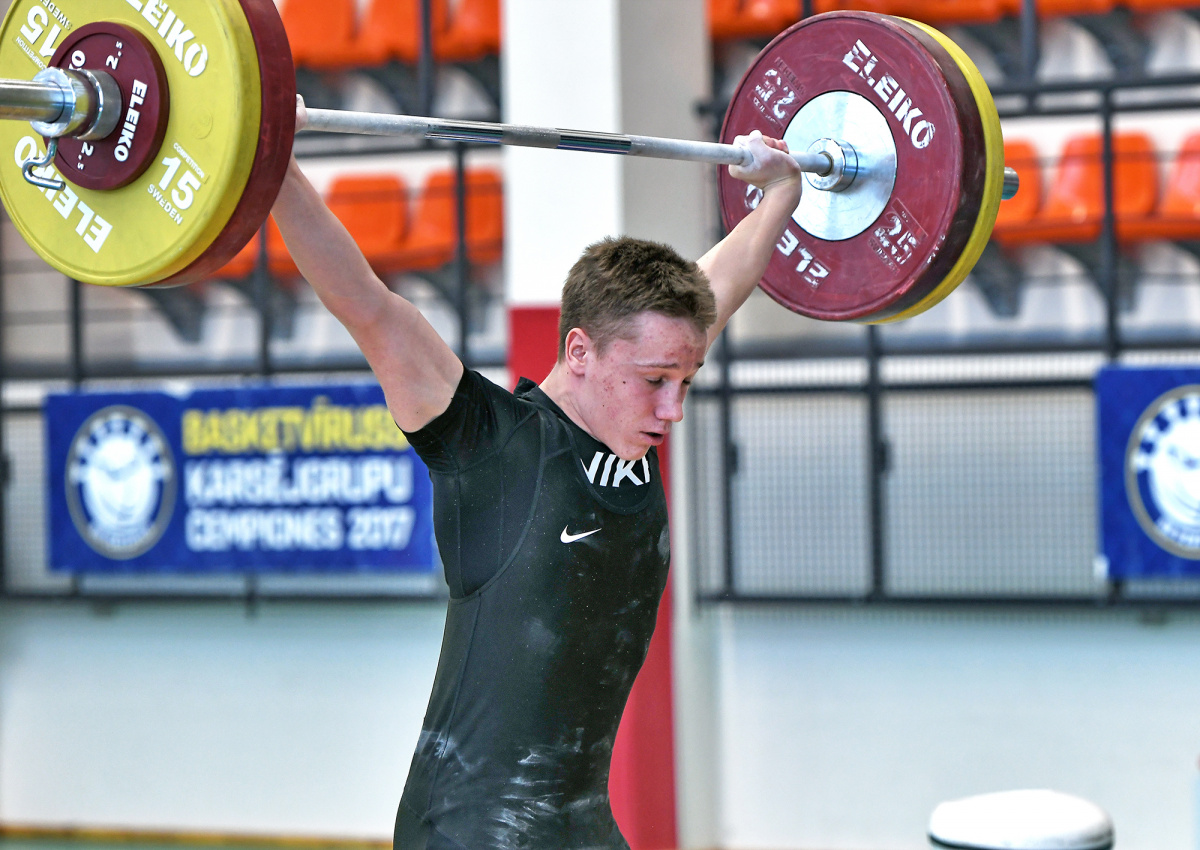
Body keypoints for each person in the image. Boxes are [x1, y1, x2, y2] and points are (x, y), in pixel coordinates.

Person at [270, 98, 804, 849]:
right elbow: (370, 308)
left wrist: (782, 194)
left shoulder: (633, 407)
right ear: (580, 352)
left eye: (686, 380)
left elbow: (717, 287)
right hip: (467, 832)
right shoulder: (490, 444)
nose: (674, 408)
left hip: (578, 825)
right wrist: (274, 161)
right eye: (657, 381)